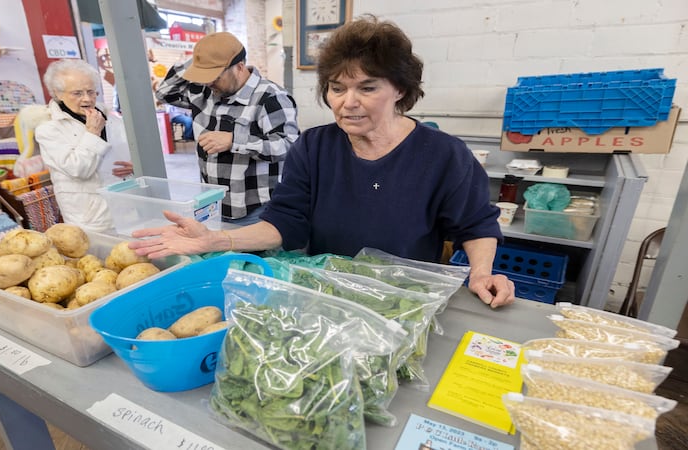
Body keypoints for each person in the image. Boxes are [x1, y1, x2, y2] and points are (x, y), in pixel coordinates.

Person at [130, 16, 515, 308]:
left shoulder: (443, 155)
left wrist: (481, 274)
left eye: (367, 88)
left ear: (399, 89)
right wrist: (217, 240)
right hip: (327, 296)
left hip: (404, 300)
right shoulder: (315, 147)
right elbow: (285, 223)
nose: (348, 102)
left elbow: (475, 225)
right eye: (336, 88)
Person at [155, 31, 300, 225]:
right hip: (212, 203)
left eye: (215, 76)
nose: (208, 82)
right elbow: (164, 93)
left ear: (239, 66)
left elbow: (289, 146)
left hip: (255, 210)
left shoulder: (271, 97)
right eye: (204, 76)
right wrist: (200, 60)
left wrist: (234, 140)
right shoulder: (204, 91)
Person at [35, 59, 134, 233]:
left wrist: (135, 166)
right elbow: (78, 169)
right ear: (58, 94)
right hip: (90, 218)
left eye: (91, 91)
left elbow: (129, 151)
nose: (87, 98)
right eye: (77, 93)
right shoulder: (49, 130)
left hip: (126, 209)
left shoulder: (110, 118)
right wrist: (93, 133)